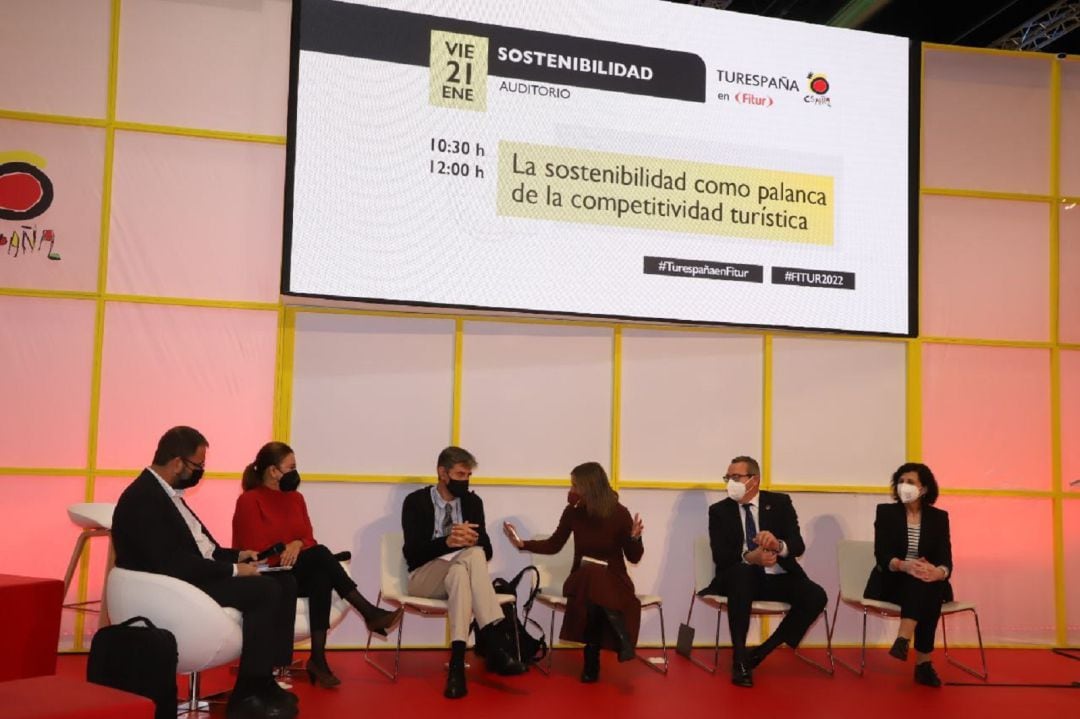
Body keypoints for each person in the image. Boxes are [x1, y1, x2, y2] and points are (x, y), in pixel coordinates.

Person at [111, 427, 299, 719]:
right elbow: (171, 563)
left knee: (280, 582)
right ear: (177, 463)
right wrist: (234, 570)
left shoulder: (167, 494)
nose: (201, 472)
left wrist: (237, 556)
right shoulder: (143, 499)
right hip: (175, 588)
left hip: (186, 579)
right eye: (198, 466)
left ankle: (260, 683)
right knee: (265, 590)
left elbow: (201, 549)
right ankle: (248, 693)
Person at [232, 441, 403, 688]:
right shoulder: (250, 501)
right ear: (272, 471)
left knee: (321, 575)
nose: (295, 472)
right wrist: (291, 545)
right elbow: (254, 549)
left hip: (293, 568)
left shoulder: (297, 498)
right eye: (291, 467)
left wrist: (297, 545)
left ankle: (318, 658)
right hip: (265, 571)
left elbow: (309, 537)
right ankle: (369, 613)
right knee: (322, 555)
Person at [401, 446, 526, 699]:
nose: (465, 481)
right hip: (424, 577)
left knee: (464, 567)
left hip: (457, 574)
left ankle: (457, 667)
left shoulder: (472, 502)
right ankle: (493, 641)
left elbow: (487, 550)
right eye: (460, 475)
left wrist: (474, 539)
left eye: (468, 476)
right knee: (471, 556)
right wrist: (447, 542)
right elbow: (411, 554)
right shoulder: (415, 502)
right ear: (442, 473)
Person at [504, 461, 644, 683]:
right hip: (579, 579)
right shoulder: (573, 513)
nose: (571, 491)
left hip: (615, 582)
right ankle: (622, 637)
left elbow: (634, 557)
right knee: (591, 575)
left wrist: (635, 537)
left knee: (596, 589)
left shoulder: (620, 514)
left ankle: (591, 661)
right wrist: (523, 544)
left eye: (575, 486)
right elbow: (554, 545)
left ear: (590, 488)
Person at [704, 455, 827, 688]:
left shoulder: (780, 503)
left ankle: (761, 652)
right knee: (743, 573)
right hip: (738, 580)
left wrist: (778, 545)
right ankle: (740, 659)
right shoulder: (719, 511)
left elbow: (797, 545)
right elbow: (719, 555)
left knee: (816, 595)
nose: (730, 482)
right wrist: (749, 557)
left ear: (754, 480)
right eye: (728, 477)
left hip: (776, 576)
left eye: (736, 477)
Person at [864, 462, 953, 688]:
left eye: (910, 482)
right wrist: (905, 565)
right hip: (892, 581)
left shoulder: (939, 517)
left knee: (926, 582)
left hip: (925, 582)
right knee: (923, 585)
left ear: (923, 489)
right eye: (901, 481)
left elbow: (946, 559)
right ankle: (923, 664)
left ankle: (903, 639)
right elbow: (881, 555)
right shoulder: (886, 513)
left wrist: (938, 572)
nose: (904, 486)